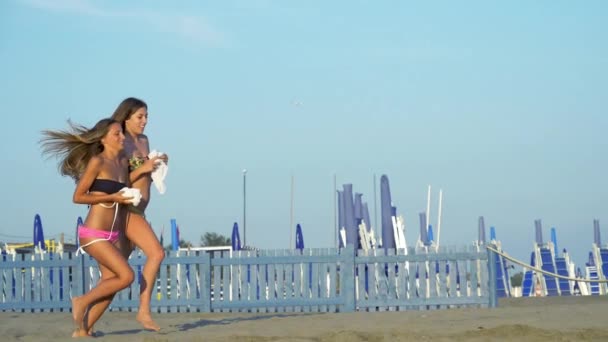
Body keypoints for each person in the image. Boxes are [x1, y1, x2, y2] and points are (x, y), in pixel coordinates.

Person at [40, 118, 135, 337]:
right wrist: (111, 196)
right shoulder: (97, 162)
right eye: (116, 134)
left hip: (113, 234)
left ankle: (83, 330)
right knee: (126, 276)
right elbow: (78, 196)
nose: (122, 137)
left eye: (122, 133)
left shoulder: (122, 162)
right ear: (103, 138)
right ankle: (81, 301)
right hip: (93, 233)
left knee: (112, 284)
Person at [113, 97, 167, 331]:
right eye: (140, 117)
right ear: (126, 117)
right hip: (125, 209)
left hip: (140, 210)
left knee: (116, 275)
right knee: (156, 253)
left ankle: (84, 317)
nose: (145, 121)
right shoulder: (120, 142)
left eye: (146, 116)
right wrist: (143, 168)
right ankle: (144, 312)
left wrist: (158, 163)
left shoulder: (144, 141)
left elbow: (145, 171)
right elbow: (116, 181)